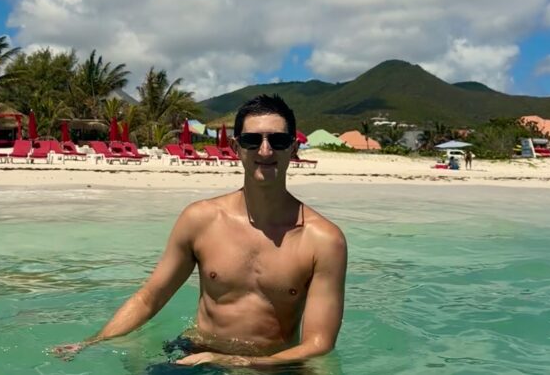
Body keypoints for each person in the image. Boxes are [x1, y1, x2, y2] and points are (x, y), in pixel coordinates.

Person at [52, 94, 347, 368]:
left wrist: (240, 364)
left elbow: (319, 343)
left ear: (293, 148)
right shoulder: (201, 220)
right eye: (252, 140)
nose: (265, 150)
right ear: (236, 148)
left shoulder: (323, 240)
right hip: (196, 357)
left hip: (271, 367)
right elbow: (150, 297)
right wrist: (91, 342)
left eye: (278, 140)